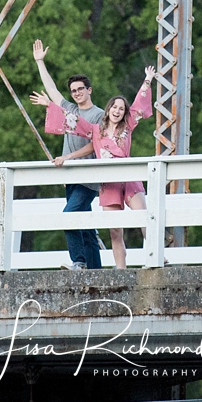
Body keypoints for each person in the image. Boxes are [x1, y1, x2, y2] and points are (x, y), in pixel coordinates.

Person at [53, 68, 153, 270]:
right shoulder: (96, 129)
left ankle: (155, 255)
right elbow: (75, 124)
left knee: (143, 218)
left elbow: (138, 105)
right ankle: (120, 271)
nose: (117, 111)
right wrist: (66, 157)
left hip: (128, 178)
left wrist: (148, 80)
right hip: (108, 183)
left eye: (121, 109)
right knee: (115, 232)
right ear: (108, 110)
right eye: (114, 107)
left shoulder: (128, 126)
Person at [28, 39, 104, 270]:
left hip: (87, 177)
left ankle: (79, 261)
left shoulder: (99, 115)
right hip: (70, 176)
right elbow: (51, 90)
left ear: (89, 90)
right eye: (73, 91)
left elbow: (95, 146)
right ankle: (96, 272)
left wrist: (69, 158)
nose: (77, 93)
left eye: (81, 89)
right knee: (85, 226)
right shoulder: (69, 110)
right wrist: (40, 62)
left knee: (68, 216)